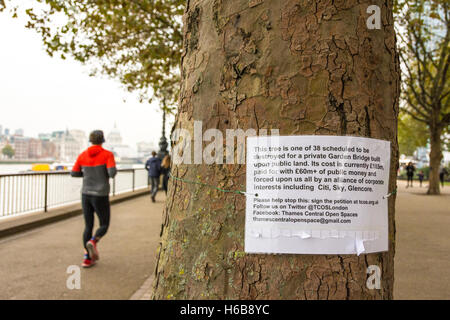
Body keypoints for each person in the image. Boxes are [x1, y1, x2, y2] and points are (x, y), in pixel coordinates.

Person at [71, 130, 117, 268]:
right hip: (100, 194)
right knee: (104, 224)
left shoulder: (82, 155)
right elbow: (112, 173)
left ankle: (87, 258)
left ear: (90, 140)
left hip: (85, 193)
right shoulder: (107, 155)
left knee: (88, 225)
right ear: (102, 140)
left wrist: (87, 175)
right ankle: (94, 241)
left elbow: (74, 173)